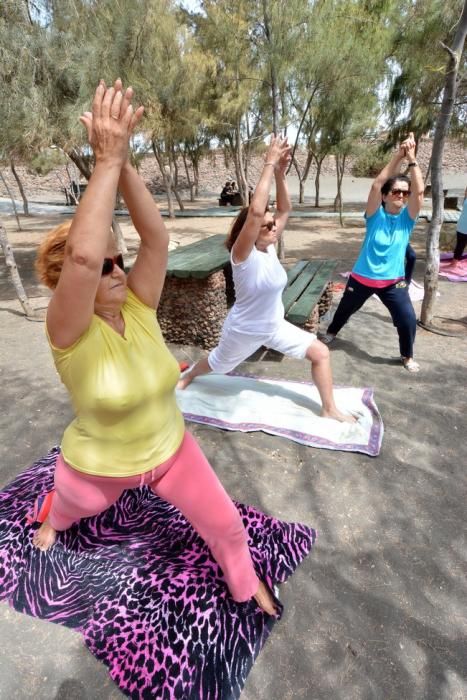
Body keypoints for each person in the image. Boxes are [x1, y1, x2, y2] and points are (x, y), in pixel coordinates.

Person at [33, 79, 277, 616]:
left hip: (170, 454)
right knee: (71, 509)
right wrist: (102, 162)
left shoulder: (140, 306)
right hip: (97, 469)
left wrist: (121, 163)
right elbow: (79, 258)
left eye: (117, 260)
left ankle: (245, 585)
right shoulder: (69, 332)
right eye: (104, 266)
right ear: (68, 284)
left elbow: (158, 240)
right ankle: (51, 515)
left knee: (227, 526)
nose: (116, 269)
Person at [178, 135, 354, 424]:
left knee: (321, 353)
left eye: (273, 226)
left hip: (273, 326)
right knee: (217, 365)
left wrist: (281, 175)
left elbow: (284, 210)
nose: (274, 227)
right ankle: (189, 375)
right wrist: (269, 163)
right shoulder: (242, 255)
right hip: (244, 330)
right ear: (250, 230)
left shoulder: (268, 245)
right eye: (267, 226)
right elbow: (257, 212)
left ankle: (329, 408)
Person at [321, 133, 424, 372]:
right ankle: (332, 332)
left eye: (405, 193)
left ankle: (406, 356)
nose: (401, 195)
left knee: (407, 319)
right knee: (345, 309)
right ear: (387, 196)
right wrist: (398, 156)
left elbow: (419, 194)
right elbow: (377, 184)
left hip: (393, 283)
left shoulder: (407, 220)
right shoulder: (375, 216)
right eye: (397, 192)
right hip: (362, 278)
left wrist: (412, 159)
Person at [447, 185, 467, 269]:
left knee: (460, 246)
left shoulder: (466, 199)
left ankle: (454, 263)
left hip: (461, 226)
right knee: (460, 246)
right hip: (463, 226)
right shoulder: (466, 198)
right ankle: (454, 264)